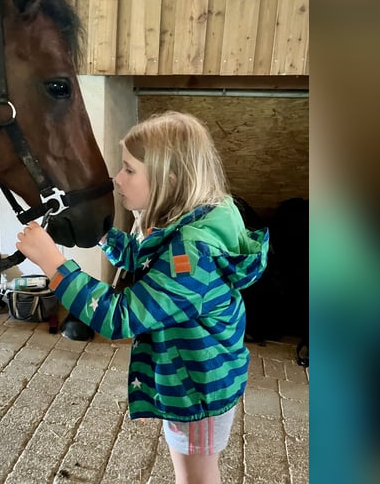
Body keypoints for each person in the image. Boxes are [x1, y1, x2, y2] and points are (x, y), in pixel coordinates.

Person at [16, 111, 269, 484]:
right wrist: (102, 236)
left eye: (129, 170)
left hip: (198, 391)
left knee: (197, 477)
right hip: (189, 377)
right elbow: (145, 259)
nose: (117, 180)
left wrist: (55, 266)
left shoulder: (191, 253)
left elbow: (120, 317)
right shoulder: (191, 221)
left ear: (169, 179)